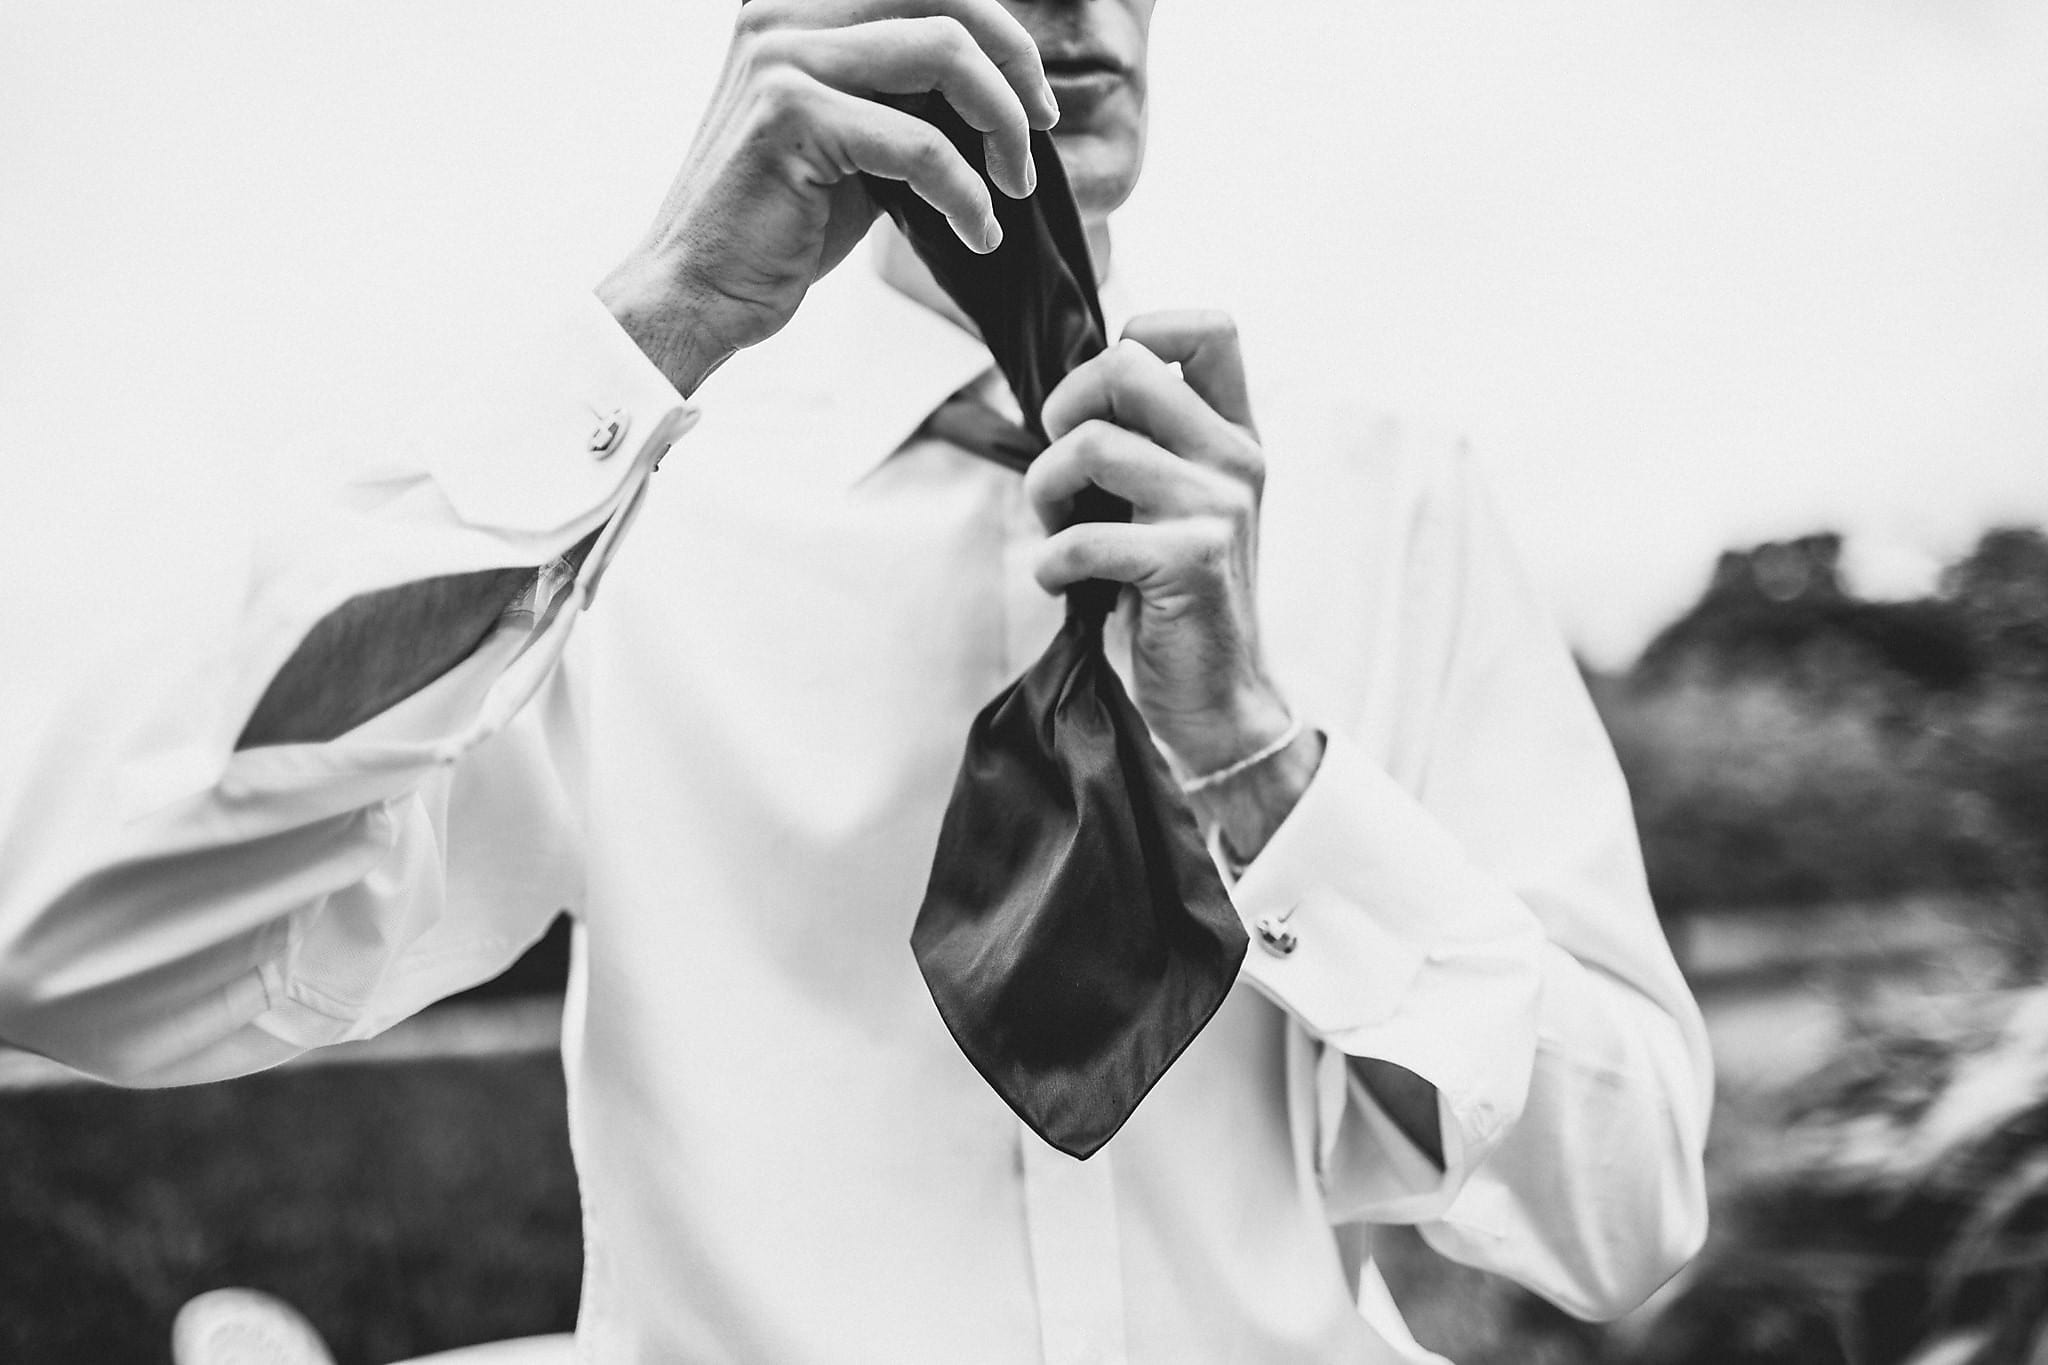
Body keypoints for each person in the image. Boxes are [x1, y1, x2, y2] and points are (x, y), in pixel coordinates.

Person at [0, 1, 1712, 1360]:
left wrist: (1269, 772)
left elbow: (1625, 1216)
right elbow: (67, 944)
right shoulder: (620, 516)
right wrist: (658, 320)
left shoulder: (1395, 495)